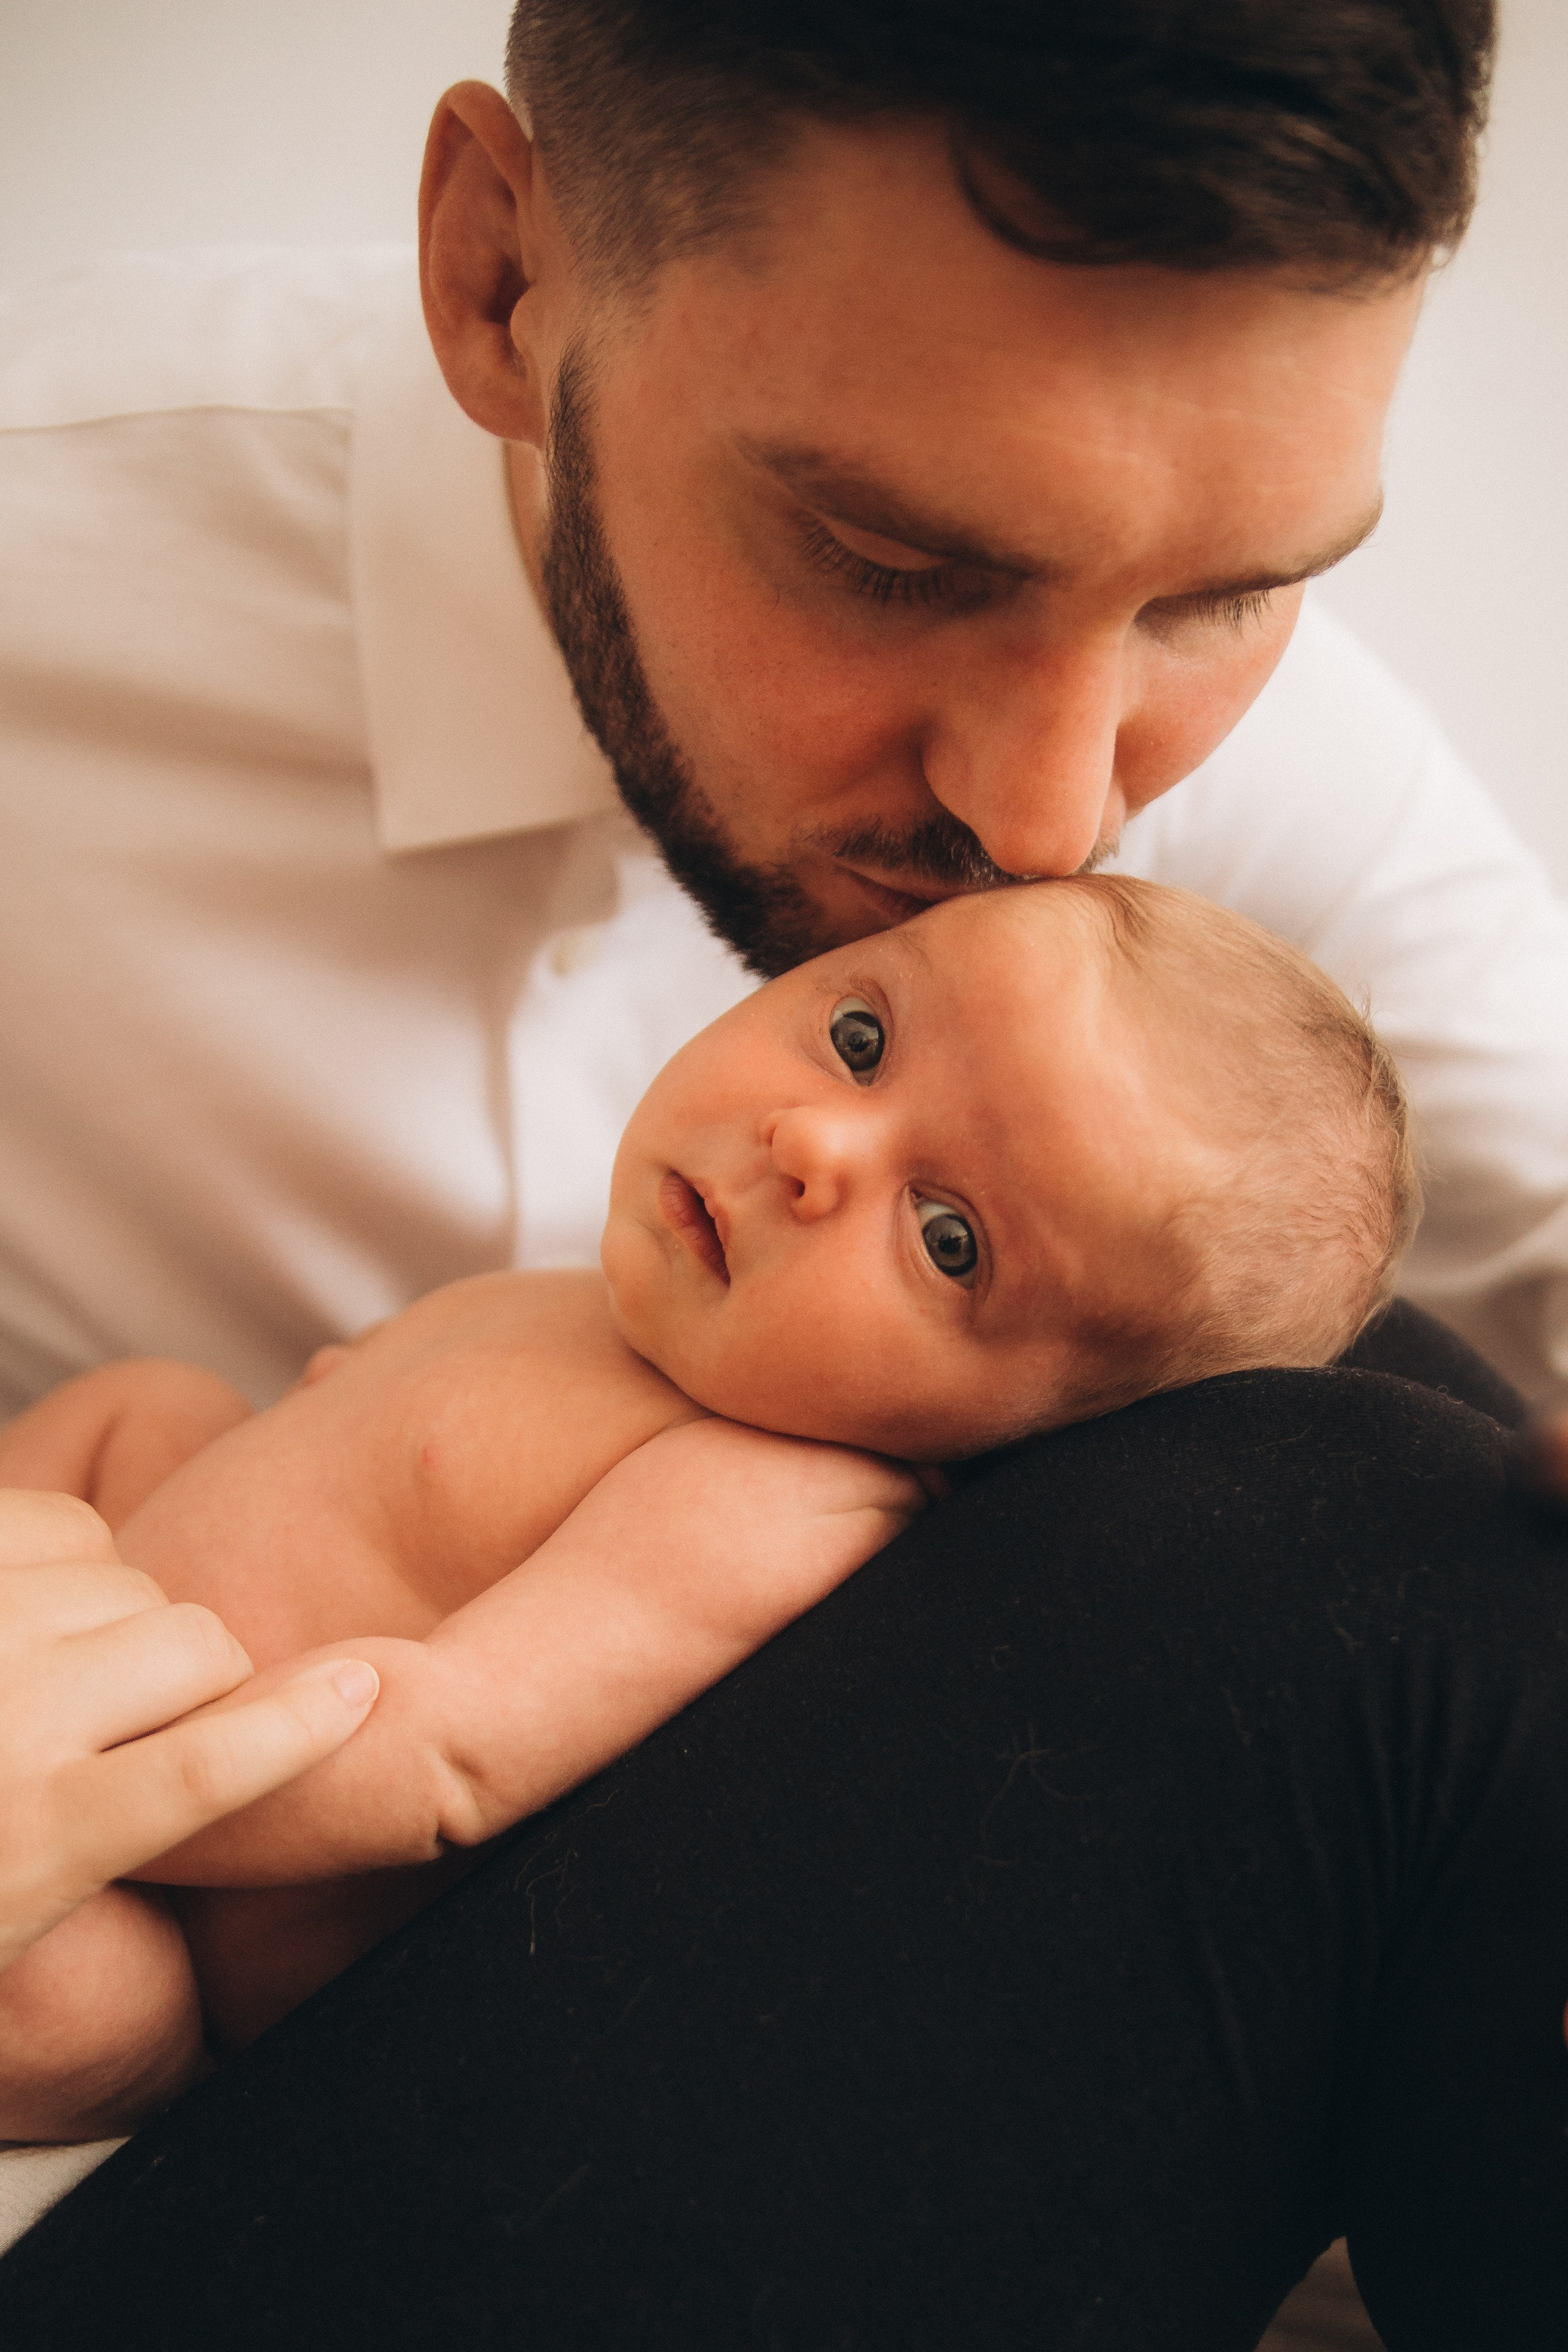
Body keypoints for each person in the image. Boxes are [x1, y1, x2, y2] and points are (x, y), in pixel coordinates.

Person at [1, 0, 1566, 2339]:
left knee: (1439, 1411)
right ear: (503, 279)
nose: (1055, 814)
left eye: (1223, 596)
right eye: (889, 560)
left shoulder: (1186, 737)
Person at [0, 876, 1417, 2138]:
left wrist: (92, 1802)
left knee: (81, 2003)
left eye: (948, 1241)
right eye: (859, 1042)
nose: (812, 1146)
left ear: (1036, 1441)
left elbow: (444, 1759)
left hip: (170, 1897)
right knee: (152, 1402)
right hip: (93, 1652)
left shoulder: (767, 1500)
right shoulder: (620, 1298)